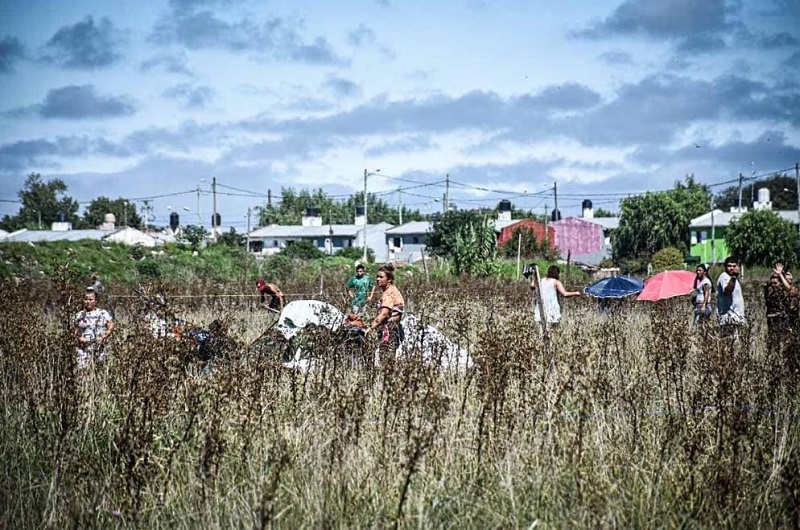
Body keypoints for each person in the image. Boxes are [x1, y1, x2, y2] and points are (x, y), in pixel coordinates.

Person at [366, 264, 405, 358]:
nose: (378, 279)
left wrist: (369, 328)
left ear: (389, 279)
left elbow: (383, 314)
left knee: (386, 356)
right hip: (393, 329)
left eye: (381, 277)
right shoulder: (392, 290)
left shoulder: (388, 294)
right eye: (377, 277)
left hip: (389, 330)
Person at [74, 288, 114, 369]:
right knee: (83, 371)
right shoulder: (78, 315)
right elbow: (71, 329)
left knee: (99, 369)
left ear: (96, 301)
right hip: (83, 349)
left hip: (99, 348)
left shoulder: (102, 313)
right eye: (86, 299)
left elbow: (111, 325)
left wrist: (104, 337)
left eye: (91, 299)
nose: (88, 302)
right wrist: (79, 337)